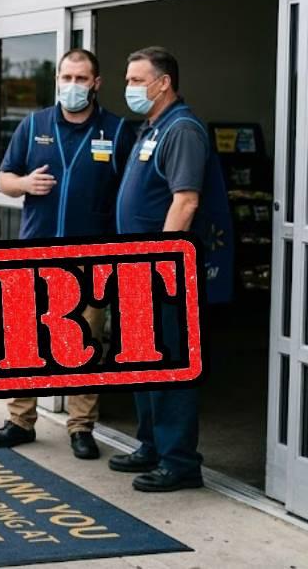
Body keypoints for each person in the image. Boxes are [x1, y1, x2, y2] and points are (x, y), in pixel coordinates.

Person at [0, 48, 135, 461]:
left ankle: (81, 426)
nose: (73, 86)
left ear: (96, 83)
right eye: (66, 78)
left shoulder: (118, 132)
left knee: (85, 344)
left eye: (81, 79)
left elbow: (130, 193)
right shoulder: (33, 125)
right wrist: (23, 185)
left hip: (91, 259)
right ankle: (20, 420)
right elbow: (3, 179)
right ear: (57, 81)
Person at [112, 46, 226, 493]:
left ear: (163, 84)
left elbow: (186, 200)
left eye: (137, 80)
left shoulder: (182, 130)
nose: (130, 88)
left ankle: (180, 462)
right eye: (128, 79)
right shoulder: (151, 128)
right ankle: (151, 445)